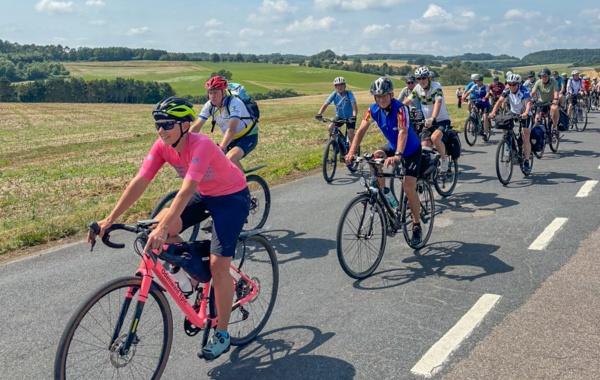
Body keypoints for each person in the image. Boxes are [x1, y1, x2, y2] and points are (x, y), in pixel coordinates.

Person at [89, 97, 250, 360]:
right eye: (157, 125)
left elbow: (186, 190)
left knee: (219, 265)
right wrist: (109, 219)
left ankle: (221, 333)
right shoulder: (163, 146)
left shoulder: (202, 144)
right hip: (205, 194)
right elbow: (140, 180)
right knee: (156, 226)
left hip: (232, 197)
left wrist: (164, 228)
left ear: (186, 125)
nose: (161, 130)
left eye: (167, 124)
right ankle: (192, 276)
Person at [345, 77, 424, 245]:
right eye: (377, 96)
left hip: (410, 150)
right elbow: (360, 130)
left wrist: (397, 155)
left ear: (391, 95)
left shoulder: (401, 109)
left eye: (384, 96)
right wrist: (352, 151)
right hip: (393, 146)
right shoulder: (372, 110)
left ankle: (416, 225)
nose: (381, 100)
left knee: (408, 186)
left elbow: (403, 132)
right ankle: (384, 194)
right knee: (376, 157)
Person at [190, 76, 258, 172]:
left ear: (223, 92)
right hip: (231, 139)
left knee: (231, 158)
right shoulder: (209, 106)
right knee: (211, 163)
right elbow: (196, 126)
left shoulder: (235, 103)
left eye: (215, 92)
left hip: (248, 136)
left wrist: (220, 148)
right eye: (210, 93)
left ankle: (242, 184)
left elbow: (231, 129)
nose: (212, 96)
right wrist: (185, 143)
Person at [404, 66, 452, 171]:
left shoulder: (436, 86)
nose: (421, 81)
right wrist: (396, 110)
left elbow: (438, 102)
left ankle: (444, 160)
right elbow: (407, 100)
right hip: (427, 122)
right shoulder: (417, 88)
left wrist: (432, 118)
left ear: (428, 78)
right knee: (424, 147)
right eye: (419, 79)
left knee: (435, 138)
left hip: (442, 120)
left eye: (424, 78)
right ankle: (430, 169)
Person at [489, 74, 533, 172]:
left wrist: (526, 112)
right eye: (510, 84)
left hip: (525, 113)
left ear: (518, 84)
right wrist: (493, 113)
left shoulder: (524, 90)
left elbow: (529, 102)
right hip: (513, 112)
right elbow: (499, 101)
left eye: (514, 84)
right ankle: (509, 142)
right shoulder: (507, 90)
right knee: (503, 123)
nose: (512, 86)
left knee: (525, 136)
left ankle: (526, 161)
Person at [315, 76, 358, 170]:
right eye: (338, 86)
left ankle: (352, 153)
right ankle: (338, 146)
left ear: (345, 86)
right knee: (330, 127)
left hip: (350, 117)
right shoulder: (334, 94)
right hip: (340, 117)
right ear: (335, 87)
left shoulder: (349, 93)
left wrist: (354, 116)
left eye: (341, 85)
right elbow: (326, 104)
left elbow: (354, 106)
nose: (340, 87)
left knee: (350, 134)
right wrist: (319, 114)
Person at [462, 74, 492, 140]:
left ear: (481, 81)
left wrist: (486, 97)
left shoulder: (485, 86)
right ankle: (474, 123)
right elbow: (469, 92)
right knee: (473, 112)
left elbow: (488, 93)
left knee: (485, 117)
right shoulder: (474, 86)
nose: (476, 82)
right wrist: (464, 97)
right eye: (476, 81)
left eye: (477, 81)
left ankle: (485, 133)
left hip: (484, 104)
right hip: (477, 103)